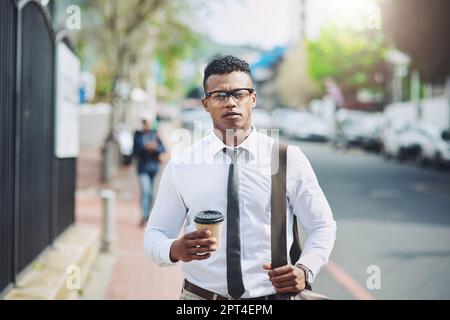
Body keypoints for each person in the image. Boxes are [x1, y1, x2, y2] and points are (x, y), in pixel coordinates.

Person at [144, 55, 336, 300]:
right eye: (220, 96)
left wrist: (305, 269)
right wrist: (174, 249)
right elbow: (155, 233)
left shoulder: (288, 159)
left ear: (253, 99)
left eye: (240, 94)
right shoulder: (182, 164)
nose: (230, 103)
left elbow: (322, 225)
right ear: (206, 104)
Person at [133, 118, 166, 227]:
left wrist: (155, 148)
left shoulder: (155, 135)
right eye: (145, 123)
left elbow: (163, 149)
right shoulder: (138, 135)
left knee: (152, 193)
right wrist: (145, 148)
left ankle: (149, 216)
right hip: (142, 168)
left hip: (153, 168)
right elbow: (135, 151)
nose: (147, 125)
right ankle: (144, 215)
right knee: (146, 191)